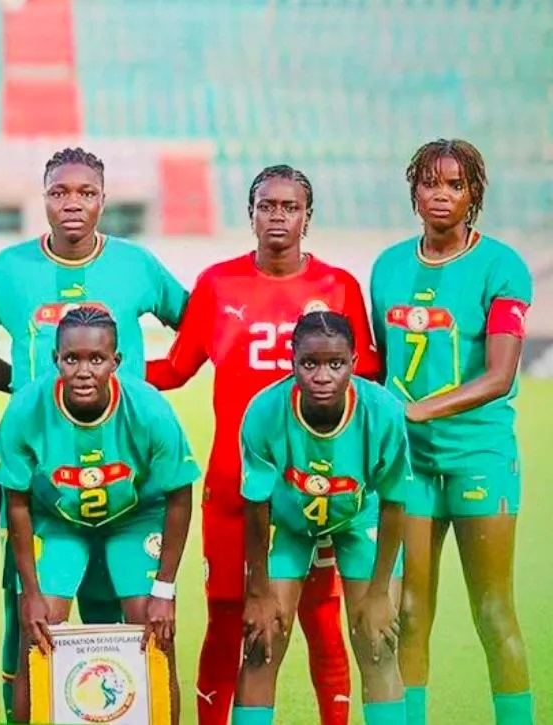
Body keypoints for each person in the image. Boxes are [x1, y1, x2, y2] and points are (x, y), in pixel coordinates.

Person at [146, 164, 379, 724]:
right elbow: (175, 369)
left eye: (290, 206)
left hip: (316, 487)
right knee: (228, 621)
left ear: (307, 216)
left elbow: (368, 379)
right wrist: (107, 370)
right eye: (267, 206)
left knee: (322, 621)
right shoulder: (217, 285)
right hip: (233, 485)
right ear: (250, 213)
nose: (278, 216)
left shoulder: (338, 287)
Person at [0, 147, 188, 714]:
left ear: (103, 201)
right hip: (48, 482)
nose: (72, 203)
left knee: (134, 630)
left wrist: (149, 382)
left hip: (126, 483)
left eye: (85, 192)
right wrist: (25, 386)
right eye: (59, 192)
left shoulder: (136, 265)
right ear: (43, 198)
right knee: (32, 623)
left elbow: (192, 323)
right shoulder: (9, 269)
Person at [371, 139, 533, 725]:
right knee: (410, 613)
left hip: (479, 456)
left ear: (474, 195)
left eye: (455, 185)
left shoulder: (501, 266)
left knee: (493, 611)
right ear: (413, 190)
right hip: (409, 465)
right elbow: (380, 367)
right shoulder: (388, 267)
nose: (441, 195)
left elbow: (500, 375)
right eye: (430, 182)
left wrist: (421, 410)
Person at [0, 306, 199, 724]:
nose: (84, 371)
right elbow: (16, 501)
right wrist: (30, 593)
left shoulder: (149, 409)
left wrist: (164, 590)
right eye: (72, 359)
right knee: (38, 631)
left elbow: (180, 495)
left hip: (135, 518)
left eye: (97, 359)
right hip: (59, 521)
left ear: (116, 361)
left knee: (154, 630)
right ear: (56, 359)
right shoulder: (26, 409)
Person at [233, 311, 409, 725]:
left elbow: (395, 502)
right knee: (261, 644)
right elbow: (255, 506)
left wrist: (379, 592)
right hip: (290, 522)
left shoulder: (383, 411)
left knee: (378, 644)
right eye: (309, 363)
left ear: (354, 363)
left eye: (336, 364)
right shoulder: (264, 411)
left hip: (359, 520)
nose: (322, 376)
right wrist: (258, 591)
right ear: (292, 361)